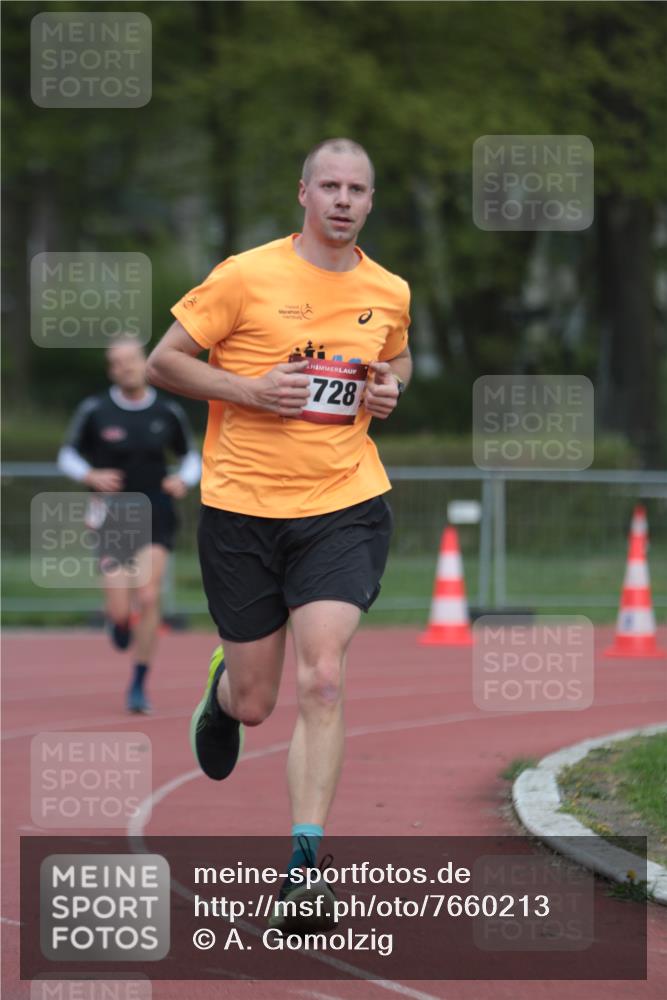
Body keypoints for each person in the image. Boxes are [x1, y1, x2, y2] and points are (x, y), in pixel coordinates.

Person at [146, 137, 412, 925]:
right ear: (303, 193)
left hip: (343, 503)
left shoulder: (388, 289)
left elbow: (392, 364)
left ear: (369, 201)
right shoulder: (244, 275)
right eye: (327, 185)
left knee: (322, 677)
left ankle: (303, 871)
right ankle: (225, 698)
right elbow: (165, 362)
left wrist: (388, 390)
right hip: (242, 510)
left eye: (355, 189)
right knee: (262, 701)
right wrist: (250, 391)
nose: (341, 199)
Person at [58, 338, 201, 713]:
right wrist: (90, 474)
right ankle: (119, 624)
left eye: (131, 361)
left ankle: (138, 683)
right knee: (121, 610)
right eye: (118, 363)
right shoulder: (96, 410)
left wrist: (182, 480)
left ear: (144, 362)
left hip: (157, 510)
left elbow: (191, 458)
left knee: (149, 596)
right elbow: (67, 455)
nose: (126, 368)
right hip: (115, 516)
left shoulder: (167, 410)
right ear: (111, 370)